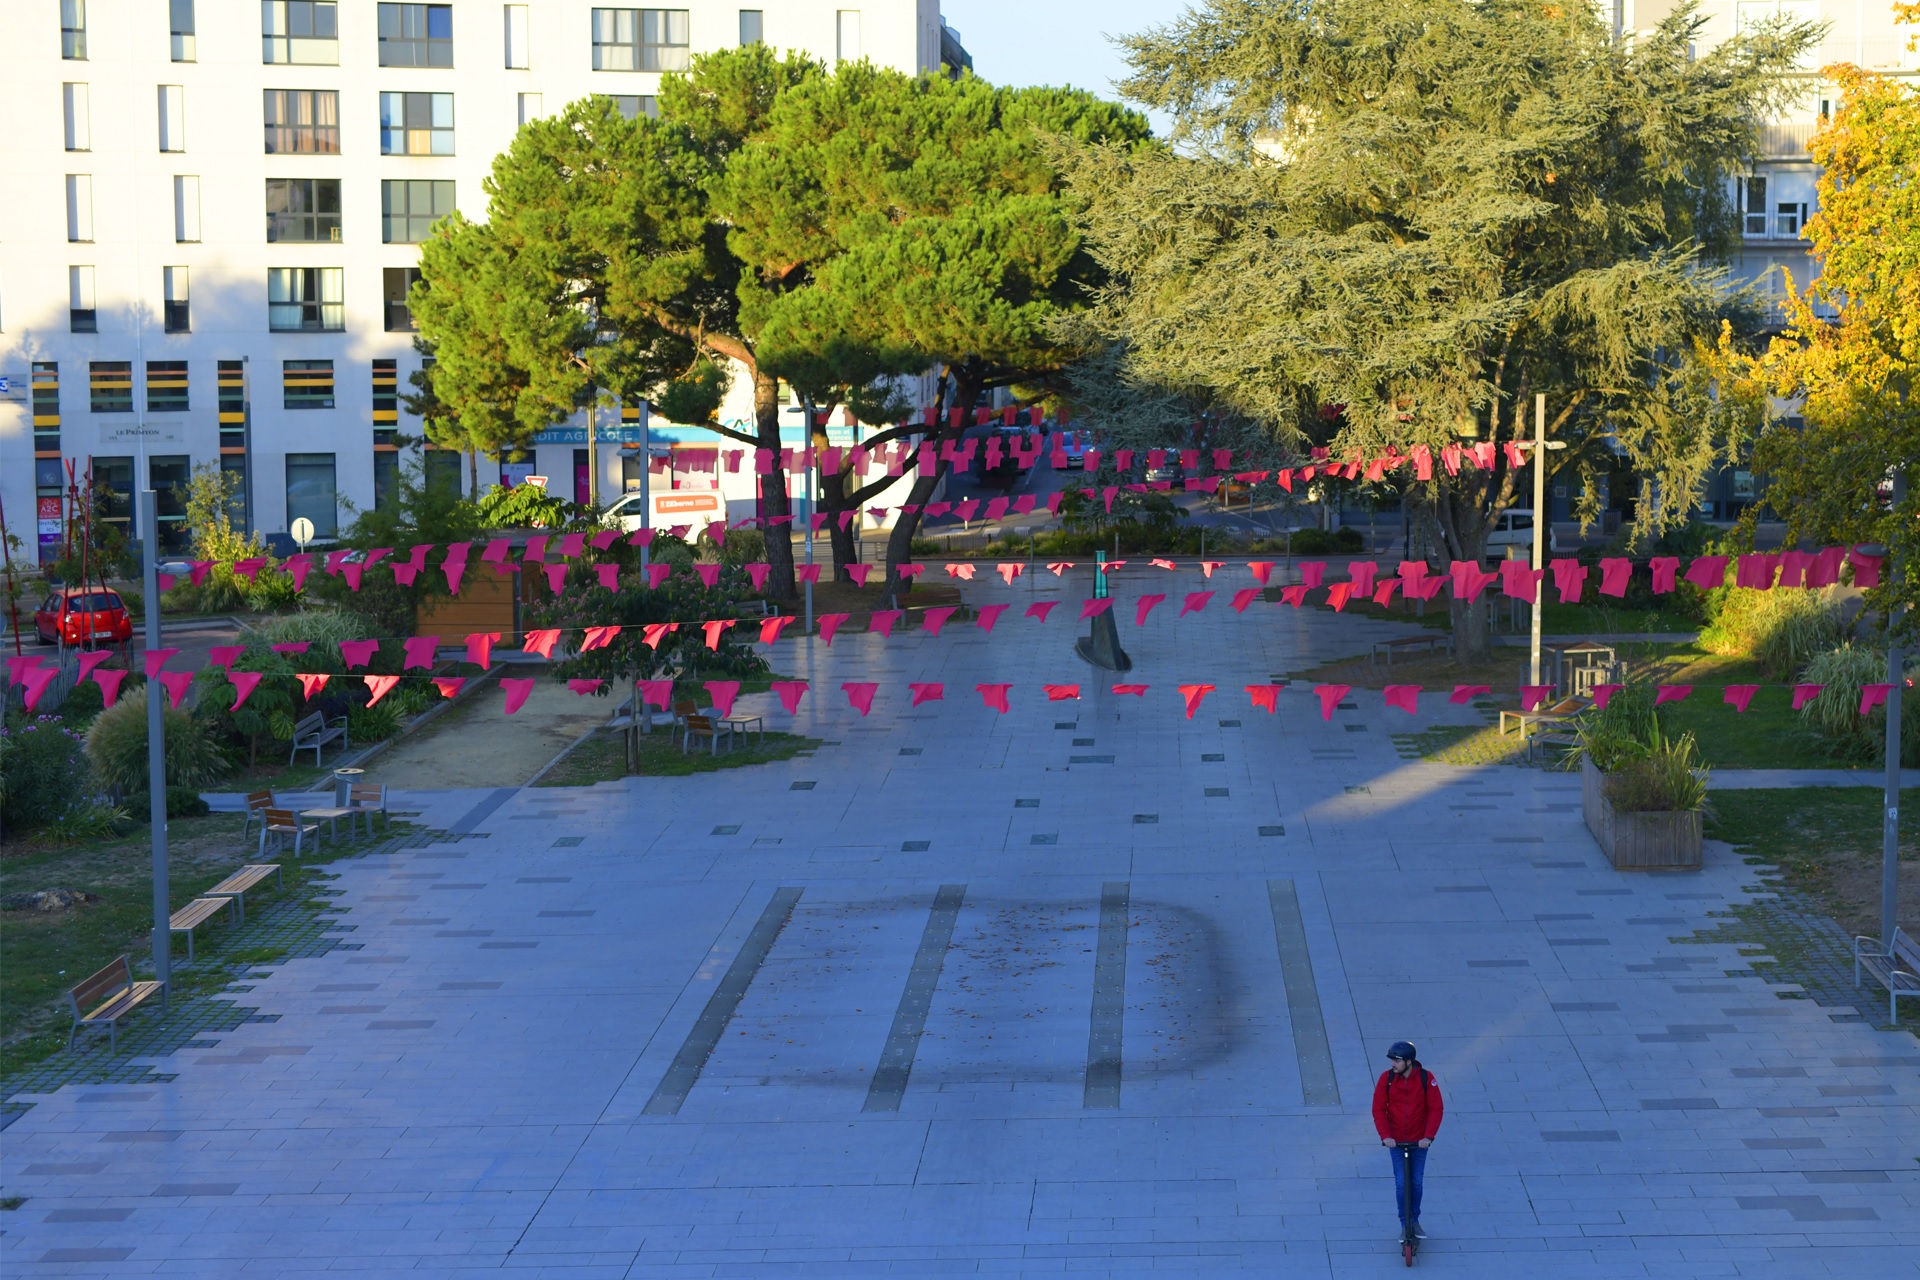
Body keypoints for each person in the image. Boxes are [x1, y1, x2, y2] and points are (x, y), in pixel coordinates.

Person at [1372, 1040, 1443, 1239]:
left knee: (1416, 1182)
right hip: (1395, 1141)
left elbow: (1436, 1109)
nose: (1393, 1064)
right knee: (1402, 1184)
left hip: (1419, 1141)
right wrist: (1385, 1136)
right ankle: (1405, 1223)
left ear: (1409, 1062)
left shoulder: (1426, 1079)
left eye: (1397, 1060)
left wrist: (1428, 1136)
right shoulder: (1385, 1079)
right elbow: (1378, 1109)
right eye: (1392, 1060)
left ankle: (1415, 1220)